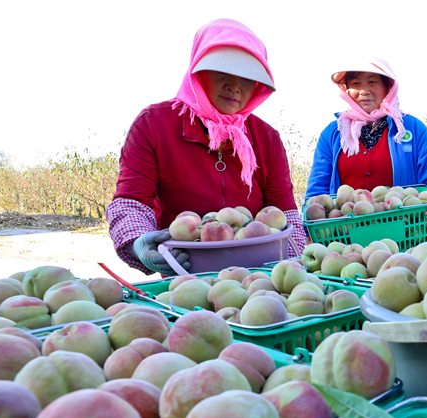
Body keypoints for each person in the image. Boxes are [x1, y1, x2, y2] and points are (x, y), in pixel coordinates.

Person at [107, 18, 308, 276]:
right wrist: (138, 244)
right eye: (222, 72)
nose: (234, 87)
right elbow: (132, 202)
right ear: (198, 72)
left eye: (247, 79)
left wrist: (292, 268)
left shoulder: (266, 138)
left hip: (257, 278)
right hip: (185, 274)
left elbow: (286, 213)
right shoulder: (154, 124)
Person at [304, 59, 427, 228]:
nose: (363, 91)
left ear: (388, 88)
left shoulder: (410, 128)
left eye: (372, 82)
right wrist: (310, 226)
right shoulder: (334, 133)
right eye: (355, 83)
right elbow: (318, 187)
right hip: (345, 236)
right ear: (347, 89)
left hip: (404, 232)